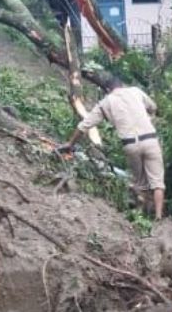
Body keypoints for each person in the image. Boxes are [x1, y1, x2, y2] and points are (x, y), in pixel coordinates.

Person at [58, 76, 165, 220]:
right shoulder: (136, 91)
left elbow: (85, 125)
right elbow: (153, 107)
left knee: (140, 182)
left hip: (130, 145)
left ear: (107, 90)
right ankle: (158, 217)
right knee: (157, 182)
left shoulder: (106, 102)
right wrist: (149, 116)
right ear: (122, 85)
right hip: (150, 140)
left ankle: (142, 215)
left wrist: (70, 144)